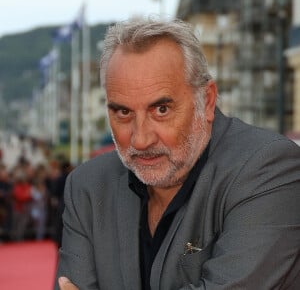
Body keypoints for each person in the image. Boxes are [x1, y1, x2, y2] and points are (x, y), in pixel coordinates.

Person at [56, 18, 300, 290]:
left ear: (206, 101)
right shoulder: (87, 186)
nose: (141, 138)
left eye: (161, 110)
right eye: (123, 112)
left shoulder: (268, 167)